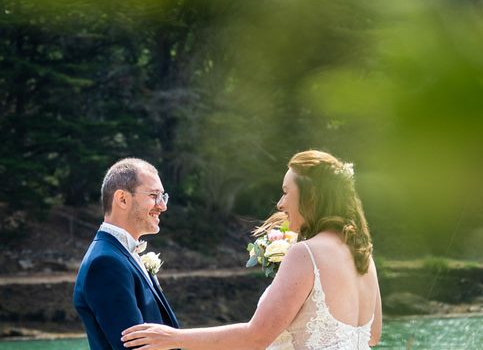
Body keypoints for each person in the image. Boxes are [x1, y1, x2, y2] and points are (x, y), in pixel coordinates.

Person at [122, 149, 382, 350]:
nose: (280, 204)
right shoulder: (362, 255)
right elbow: (373, 335)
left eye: (285, 192)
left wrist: (171, 337)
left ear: (311, 197)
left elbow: (255, 337)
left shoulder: (306, 253)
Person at [74, 158, 179, 350]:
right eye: (154, 195)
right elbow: (134, 347)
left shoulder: (120, 254)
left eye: (163, 196)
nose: (162, 206)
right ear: (122, 199)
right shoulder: (105, 263)